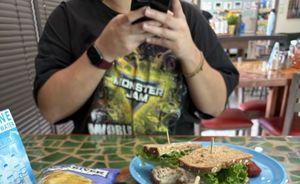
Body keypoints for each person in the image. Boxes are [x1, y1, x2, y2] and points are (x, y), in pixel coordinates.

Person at [34, 0, 239, 135]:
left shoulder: (187, 19)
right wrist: (102, 51)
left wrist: (189, 51)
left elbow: (215, 105)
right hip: (95, 166)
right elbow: (52, 110)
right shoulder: (69, 16)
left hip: (174, 161)